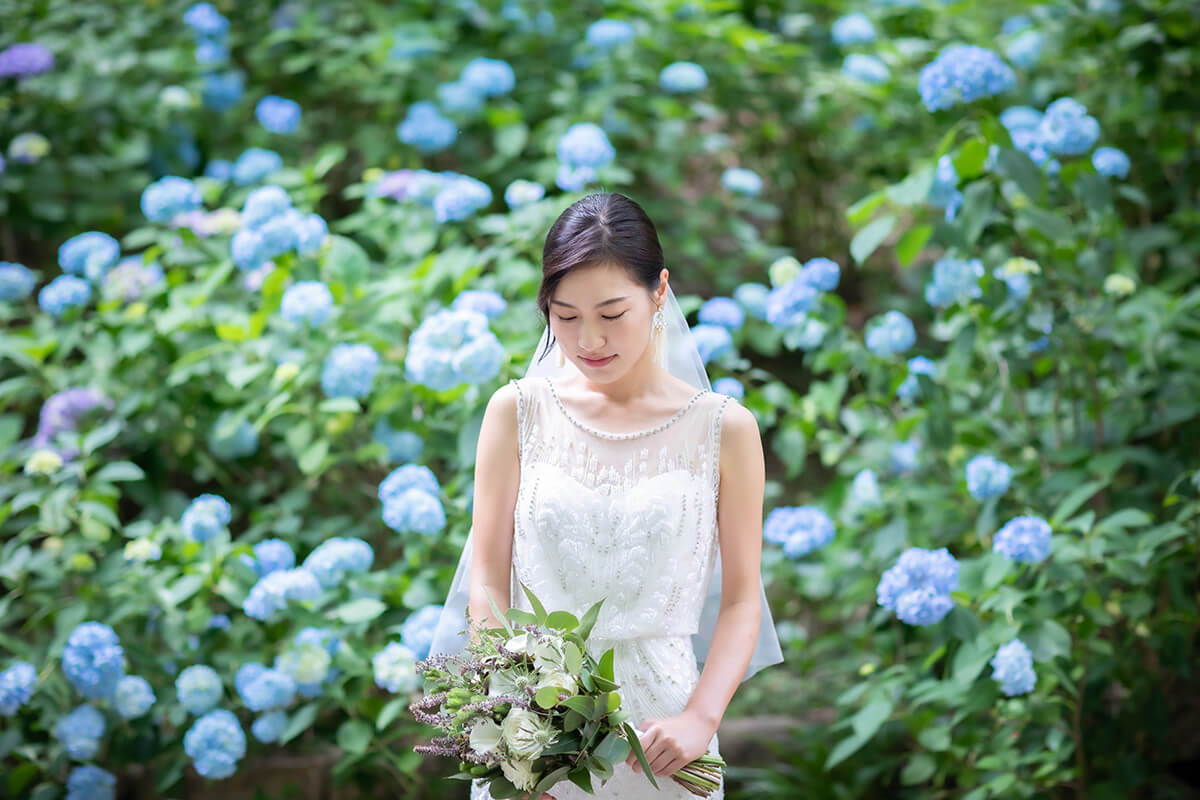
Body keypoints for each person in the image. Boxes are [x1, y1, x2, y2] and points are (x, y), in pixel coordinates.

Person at [428, 192, 784, 799]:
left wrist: (701, 718)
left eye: (612, 313)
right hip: (534, 733)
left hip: (666, 740)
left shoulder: (724, 428)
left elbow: (743, 600)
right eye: (565, 317)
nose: (588, 339)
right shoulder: (516, 412)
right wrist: (516, 725)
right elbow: (486, 579)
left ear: (659, 292)